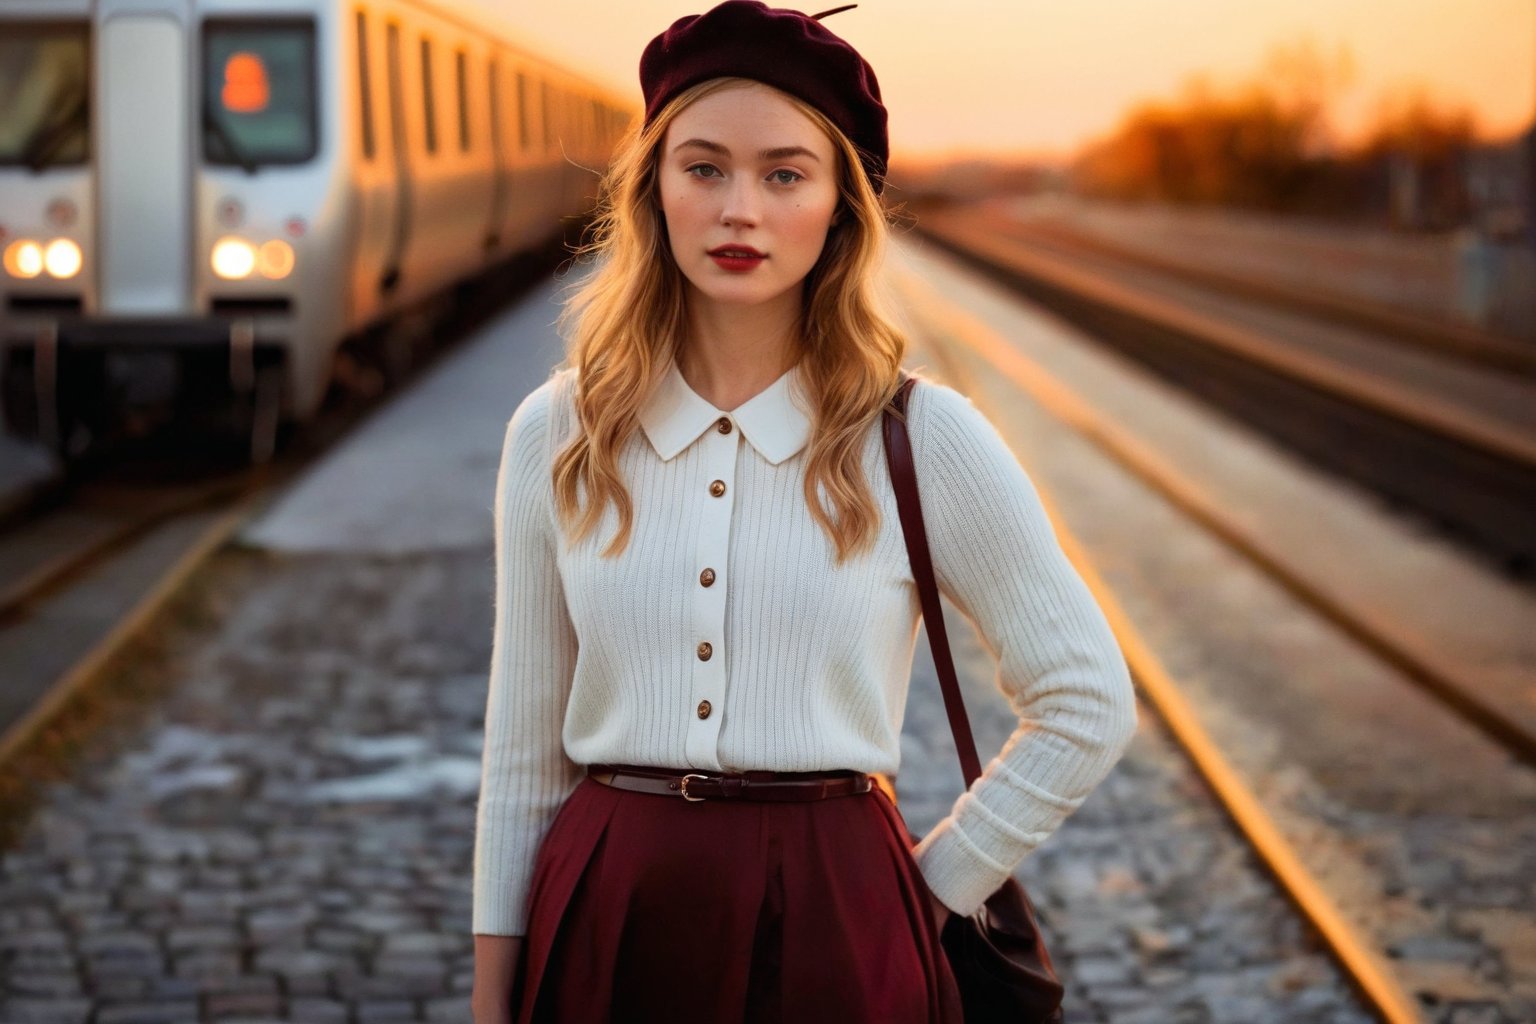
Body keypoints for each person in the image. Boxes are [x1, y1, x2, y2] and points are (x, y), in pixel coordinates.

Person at [469, 2, 1138, 1021]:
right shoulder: (556, 430)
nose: (741, 208)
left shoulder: (924, 435)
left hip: (841, 921)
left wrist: (928, 887)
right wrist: (494, 1002)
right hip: (608, 912)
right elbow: (521, 765)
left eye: (785, 174)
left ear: (839, 205)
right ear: (652, 187)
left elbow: (1086, 696)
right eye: (704, 167)